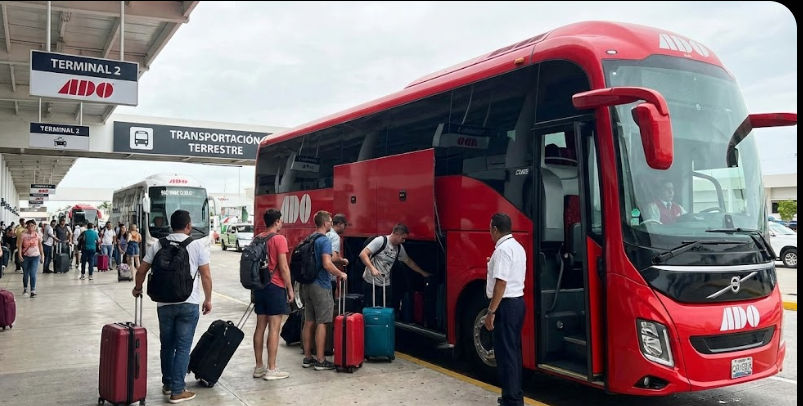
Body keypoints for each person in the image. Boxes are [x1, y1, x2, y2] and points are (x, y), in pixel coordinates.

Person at [131, 210, 212, 404]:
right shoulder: (197, 245)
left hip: (164, 303)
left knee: (167, 345)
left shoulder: (158, 244)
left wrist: (137, 288)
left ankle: (168, 383)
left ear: (170, 225)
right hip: (188, 303)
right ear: (188, 226)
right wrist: (208, 299)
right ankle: (177, 390)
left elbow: (141, 270)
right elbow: (206, 276)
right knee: (183, 348)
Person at [484, 213, 526, 406]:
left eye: (490, 228)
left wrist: (491, 312)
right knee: (514, 353)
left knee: (505, 355)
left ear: (495, 229)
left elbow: (501, 283)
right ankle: (514, 394)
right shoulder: (517, 247)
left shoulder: (501, 250)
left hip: (506, 305)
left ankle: (511, 400)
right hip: (518, 303)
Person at [301, 210, 347, 371]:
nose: (331, 223)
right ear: (325, 223)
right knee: (322, 322)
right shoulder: (324, 240)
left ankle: (307, 357)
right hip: (320, 285)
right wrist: (340, 273)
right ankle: (320, 360)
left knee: (309, 321)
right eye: (329, 221)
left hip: (306, 285)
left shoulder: (309, 238)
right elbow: (327, 264)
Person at [252, 209, 295, 381]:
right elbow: (284, 267)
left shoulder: (258, 238)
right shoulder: (279, 239)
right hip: (275, 286)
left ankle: (259, 367)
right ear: (277, 221)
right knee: (274, 328)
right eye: (281, 220)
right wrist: (290, 289)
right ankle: (272, 368)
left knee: (260, 326)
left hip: (259, 287)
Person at [359, 224, 431, 308]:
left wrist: (423, 273)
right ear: (396, 234)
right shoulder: (381, 241)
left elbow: (408, 261)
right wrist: (372, 268)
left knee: (386, 308)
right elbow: (363, 254)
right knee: (370, 308)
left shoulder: (399, 248)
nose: (404, 241)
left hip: (386, 283)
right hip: (371, 281)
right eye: (402, 238)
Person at [17, 220, 44, 297]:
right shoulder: (23, 235)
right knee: (26, 274)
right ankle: (25, 288)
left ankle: (33, 290)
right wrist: (19, 255)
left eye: (32, 225)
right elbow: (19, 246)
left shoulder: (38, 235)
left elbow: (40, 246)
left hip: (35, 257)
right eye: (28, 226)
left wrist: (42, 256)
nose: (30, 227)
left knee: (33, 273)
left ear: (35, 226)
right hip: (25, 257)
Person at [325, 214, 349, 297]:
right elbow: (333, 258)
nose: (345, 228)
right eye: (344, 225)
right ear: (339, 224)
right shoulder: (335, 237)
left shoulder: (325, 233)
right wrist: (343, 260)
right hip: (329, 276)